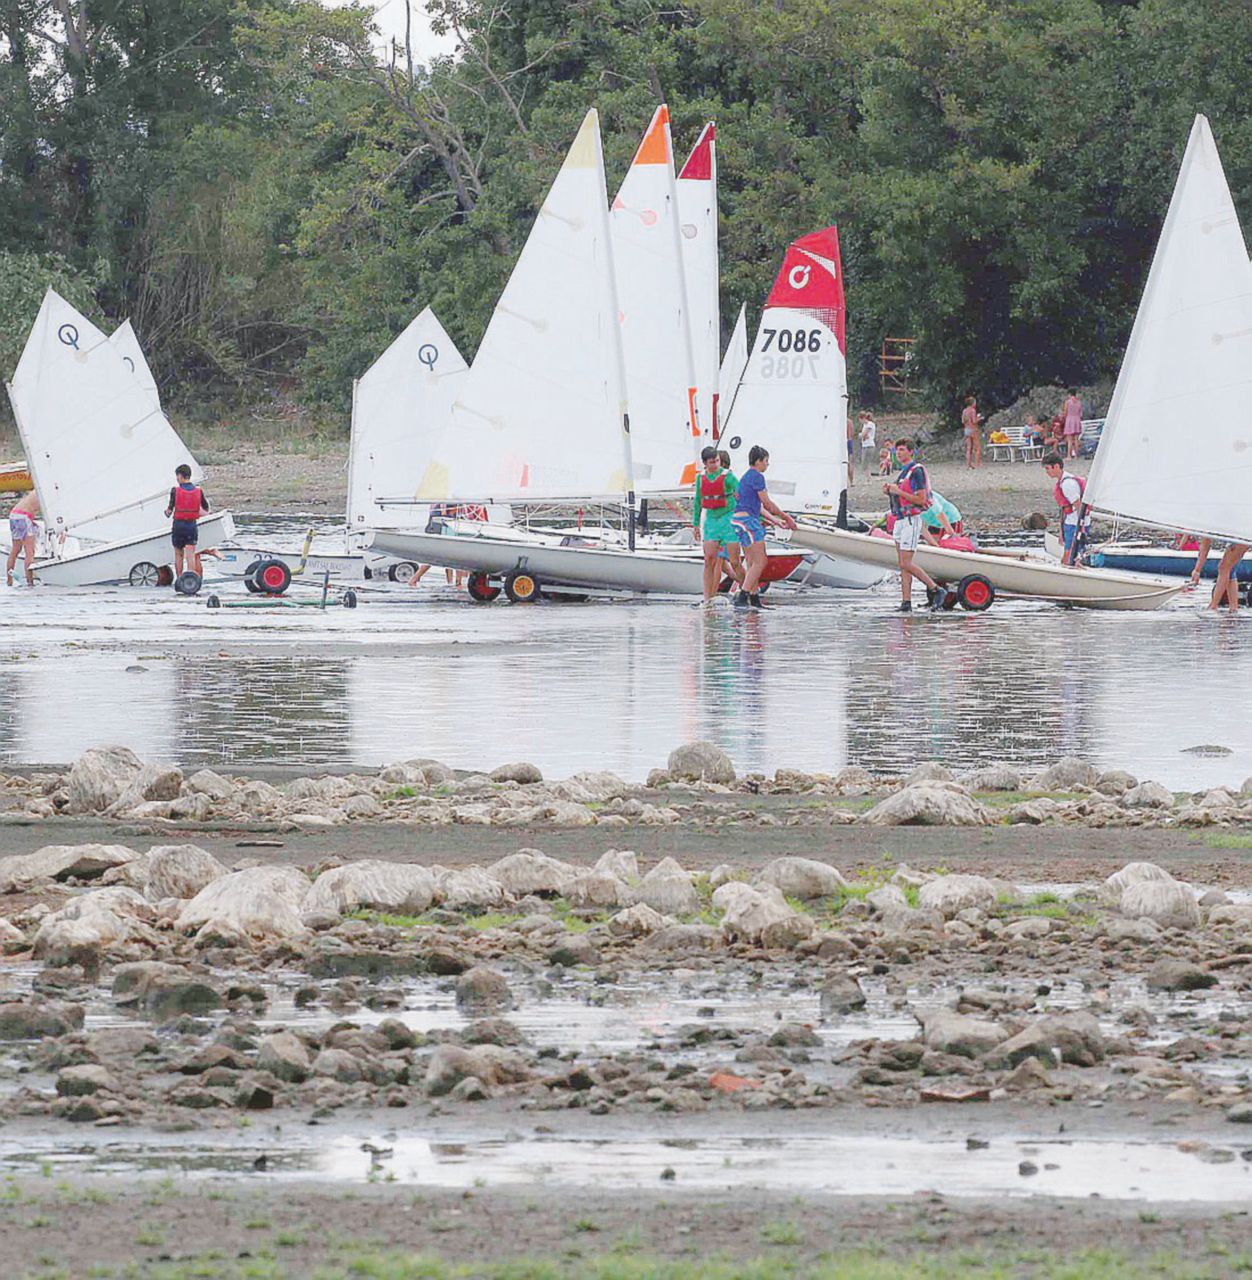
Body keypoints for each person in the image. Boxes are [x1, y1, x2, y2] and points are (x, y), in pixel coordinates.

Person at [730, 445, 796, 608]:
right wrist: (787, 517)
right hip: (748, 522)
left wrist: (775, 521)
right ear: (758, 461)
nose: (767, 464)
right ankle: (743, 596)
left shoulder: (746, 477)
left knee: (752, 563)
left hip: (738, 521)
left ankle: (754, 598)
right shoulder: (757, 477)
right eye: (766, 461)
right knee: (761, 561)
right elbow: (767, 503)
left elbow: (758, 506)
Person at [884, 438, 943, 611]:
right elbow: (902, 495)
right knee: (902, 563)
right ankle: (906, 601)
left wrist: (898, 491)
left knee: (905, 563)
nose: (899, 453)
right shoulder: (904, 472)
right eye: (897, 450)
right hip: (901, 520)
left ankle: (935, 589)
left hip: (911, 519)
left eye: (902, 450)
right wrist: (890, 491)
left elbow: (921, 499)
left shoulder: (916, 471)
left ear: (911, 452)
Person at [693, 445, 743, 602]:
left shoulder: (728, 477)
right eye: (712, 462)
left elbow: (742, 494)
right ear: (705, 464)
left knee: (735, 562)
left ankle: (750, 591)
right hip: (711, 522)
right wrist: (696, 525)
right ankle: (708, 599)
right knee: (709, 559)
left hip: (729, 520)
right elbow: (697, 502)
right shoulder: (701, 478)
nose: (715, 464)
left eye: (717, 461)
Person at [1042, 452, 1088, 565]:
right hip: (1070, 523)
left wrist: (1081, 528)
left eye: (1048, 468)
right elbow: (1064, 509)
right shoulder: (1062, 482)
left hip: (1075, 524)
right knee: (1070, 554)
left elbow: (1079, 506)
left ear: (1056, 466)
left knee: (1069, 556)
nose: (1047, 472)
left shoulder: (1068, 484)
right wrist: (1061, 532)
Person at [164, 465, 208, 578]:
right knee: (190, 554)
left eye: (177, 476)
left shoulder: (175, 491)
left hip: (178, 525)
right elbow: (206, 508)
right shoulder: (199, 491)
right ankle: (190, 579)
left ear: (180, 476)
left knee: (179, 554)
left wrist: (166, 512)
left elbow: (169, 511)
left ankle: (179, 579)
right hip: (191, 526)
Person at [6, 491, 40, 587]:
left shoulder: (36, 490)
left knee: (15, 550)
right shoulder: (46, 493)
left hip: (14, 514)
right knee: (29, 552)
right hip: (24, 516)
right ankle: (30, 583)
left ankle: (9, 581)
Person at [1062, 388, 1083, 460]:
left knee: (1070, 440)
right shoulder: (1079, 402)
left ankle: (1069, 455)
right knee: (1076, 439)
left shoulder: (1068, 402)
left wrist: (1064, 418)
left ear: (1069, 394)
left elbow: (1065, 412)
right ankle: (1076, 455)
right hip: (1077, 420)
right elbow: (1081, 413)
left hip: (1070, 419)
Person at [961, 395, 982, 469]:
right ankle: (977, 464)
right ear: (973, 403)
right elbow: (974, 421)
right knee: (978, 447)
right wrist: (979, 418)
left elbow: (963, 421)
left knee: (969, 448)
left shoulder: (964, 411)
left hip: (966, 429)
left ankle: (968, 464)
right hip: (973, 429)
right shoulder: (973, 411)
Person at [846, 414, 856, 484]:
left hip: (842, 441)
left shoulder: (839, 421)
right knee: (850, 462)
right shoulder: (849, 421)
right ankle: (851, 481)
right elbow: (852, 433)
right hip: (849, 441)